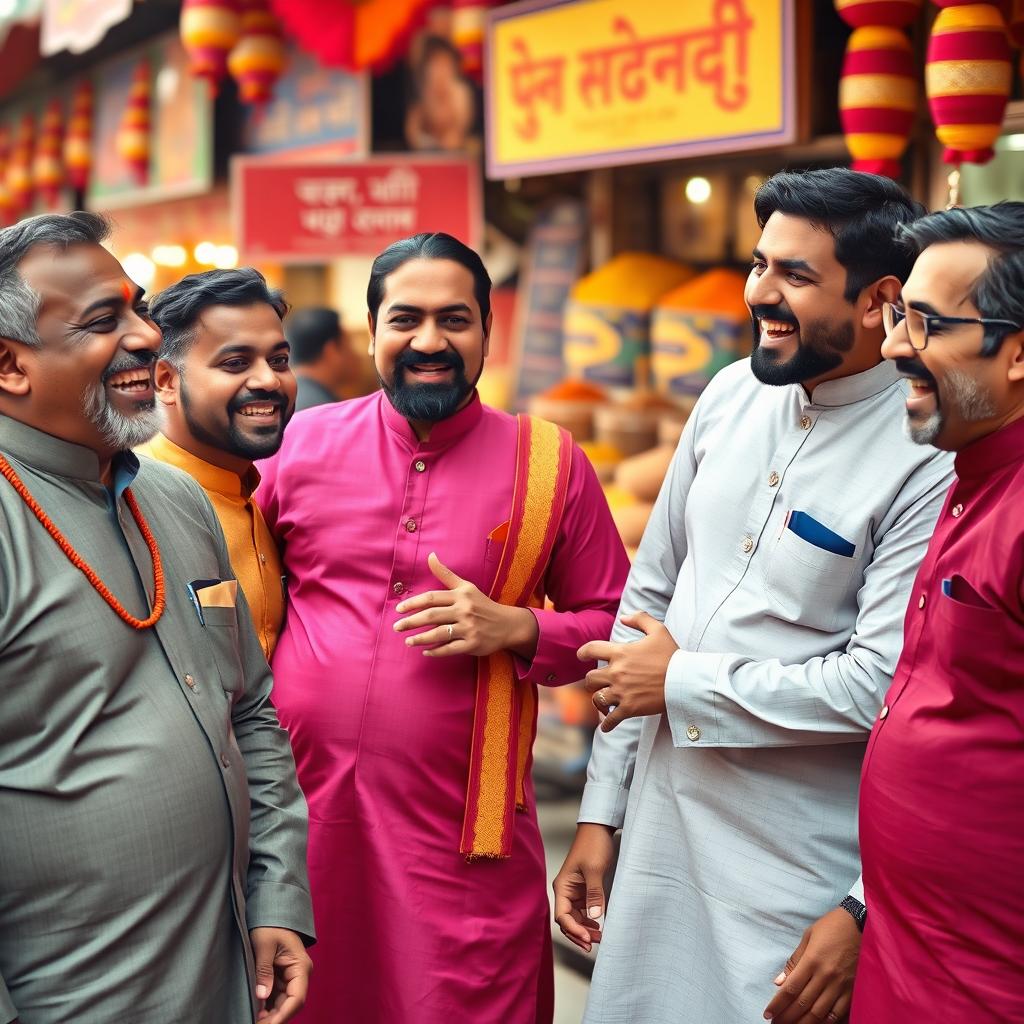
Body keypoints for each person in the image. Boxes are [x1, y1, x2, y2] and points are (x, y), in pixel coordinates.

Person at [553, 168, 955, 1024]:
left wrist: (859, 904)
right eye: (758, 263)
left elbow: (883, 686)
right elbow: (647, 602)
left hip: (794, 867)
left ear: (881, 298)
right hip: (660, 833)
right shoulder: (730, 394)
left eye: (795, 277)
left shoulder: (927, 455)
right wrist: (601, 813)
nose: (758, 294)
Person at [256, 231, 630, 1024]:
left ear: (488, 332)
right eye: (407, 319)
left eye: (455, 320)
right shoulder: (295, 446)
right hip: (299, 825)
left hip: (460, 845)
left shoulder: (549, 463)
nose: (430, 342)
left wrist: (520, 628)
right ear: (373, 330)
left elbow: (616, 629)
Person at [0, 212, 314, 1024]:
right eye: (106, 320)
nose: (147, 337)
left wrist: (277, 896)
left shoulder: (172, 495)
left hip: (226, 971)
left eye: (139, 309)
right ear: (9, 365)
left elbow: (248, 710)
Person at [852, 203, 1024, 1023]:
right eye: (898, 316)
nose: (892, 345)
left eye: (925, 324)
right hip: (910, 955)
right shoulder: (967, 479)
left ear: (1018, 352)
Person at [139, 267, 296, 660]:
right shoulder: (133, 504)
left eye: (278, 360)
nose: (268, 380)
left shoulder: (249, 496)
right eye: (235, 363)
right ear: (165, 381)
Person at [287, 306, 357, 411]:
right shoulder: (323, 409)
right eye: (348, 346)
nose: (355, 355)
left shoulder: (285, 396)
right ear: (331, 350)